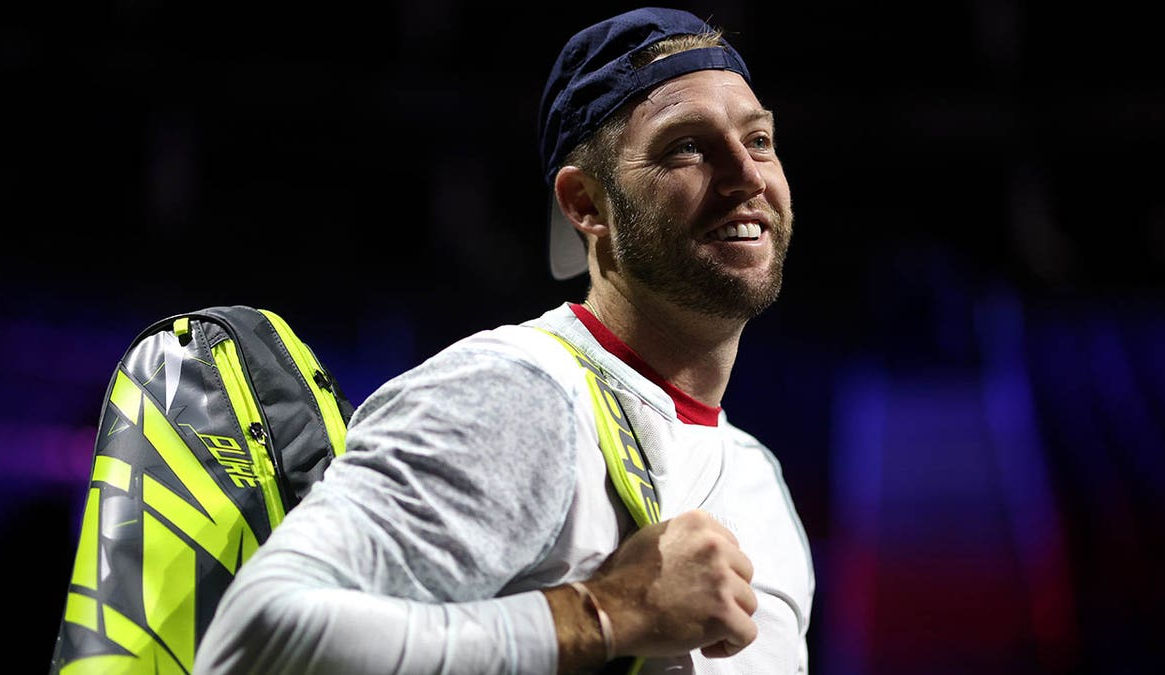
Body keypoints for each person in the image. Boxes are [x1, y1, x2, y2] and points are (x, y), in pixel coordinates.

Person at [195, 7, 813, 674]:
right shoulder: (521, 395)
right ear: (586, 205)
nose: (746, 176)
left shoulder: (761, 486)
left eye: (758, 140)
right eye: (686, 146)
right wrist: (609, 612)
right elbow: (252, 641)